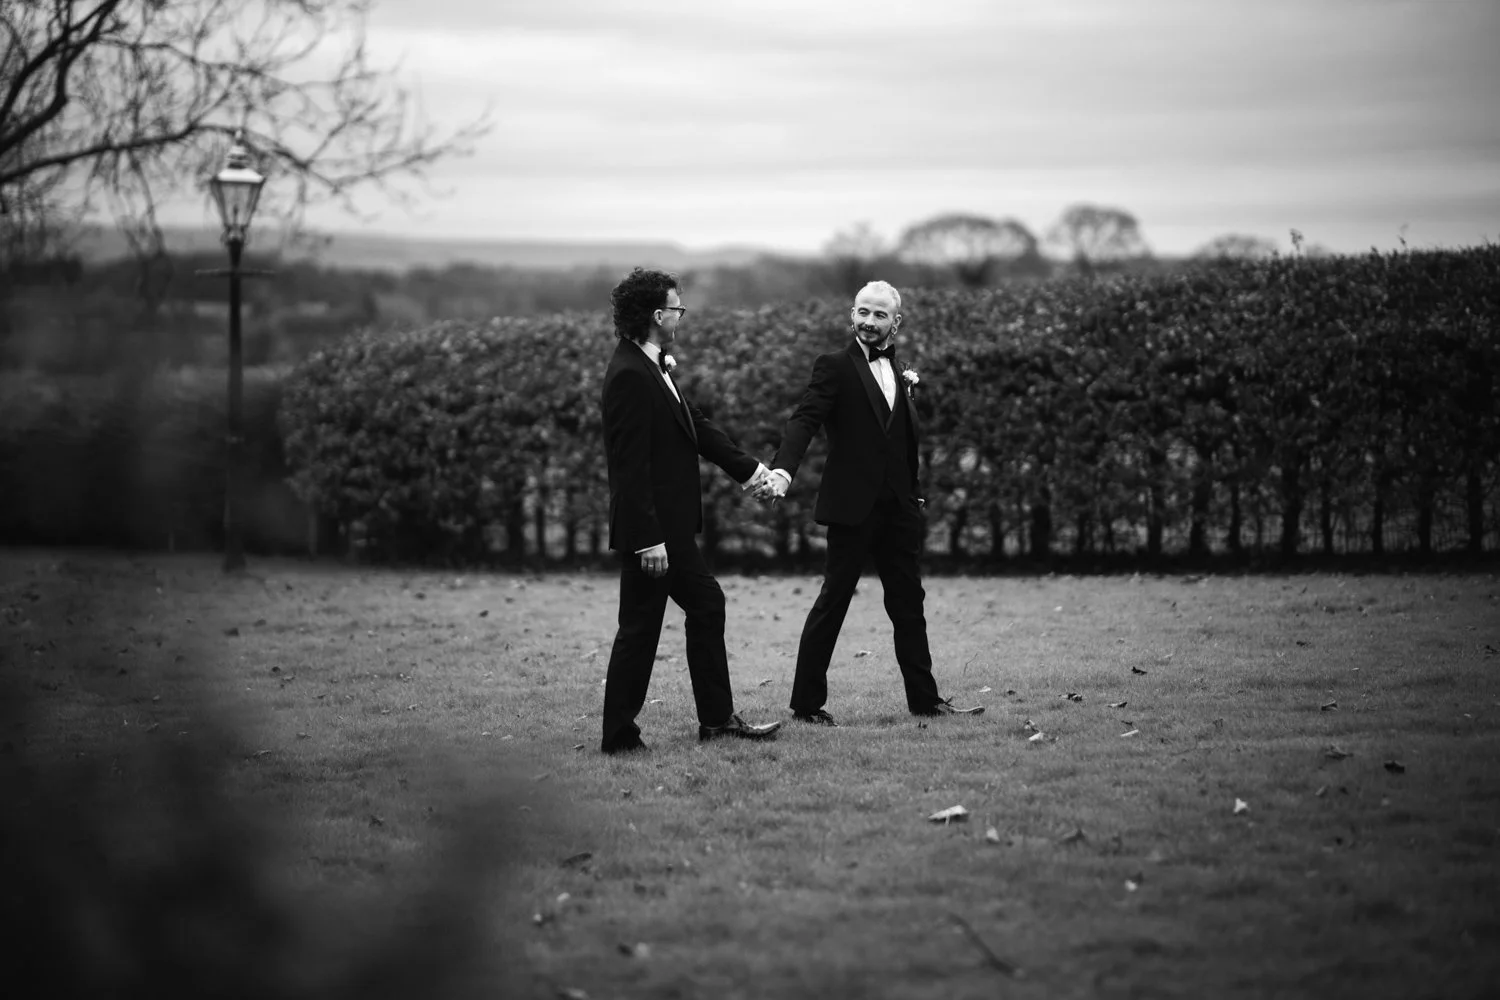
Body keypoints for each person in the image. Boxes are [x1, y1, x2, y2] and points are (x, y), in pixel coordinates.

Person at [753, 280, 984, 726]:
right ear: (852, 315)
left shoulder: (902, 374)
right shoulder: (834, 366)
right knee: (834, 599)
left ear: (895, 322)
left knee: (908, 604)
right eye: (862, 312)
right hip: (851, 507)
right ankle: (805, 705)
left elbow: (901, 442)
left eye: (879, 315)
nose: (868, 322)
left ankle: (925, 700)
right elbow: (805, 419)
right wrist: (783, 470)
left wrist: (914, 500)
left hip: (899, 509)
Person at [599, 267, 783, 754]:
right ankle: (620, 736)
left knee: (703, 606)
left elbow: (694, 426)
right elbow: (628, 467)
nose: (682, 315)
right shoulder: (629, 376)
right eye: (677, 308)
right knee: (641, 627)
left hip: (670, 529)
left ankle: (717, 722)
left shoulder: (651, 364)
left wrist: (751, 471)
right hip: (655, 533)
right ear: (658, 316)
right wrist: (647, 539)